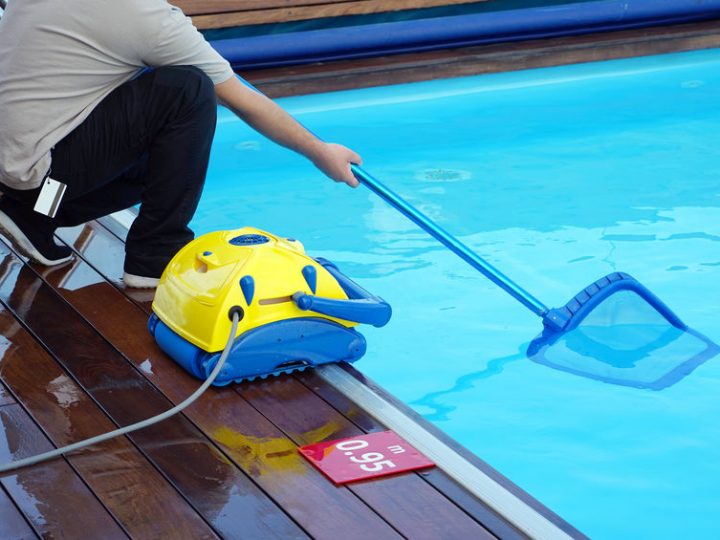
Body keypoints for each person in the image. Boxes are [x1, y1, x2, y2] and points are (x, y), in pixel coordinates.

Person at [0, 0, 361, 288]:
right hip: (40, 173)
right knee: (188, 89)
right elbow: (243, 99)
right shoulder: (142, 17)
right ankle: (155, 259)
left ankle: (33, 215)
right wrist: (319, 151)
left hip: (23, 175)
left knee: (161, 157)